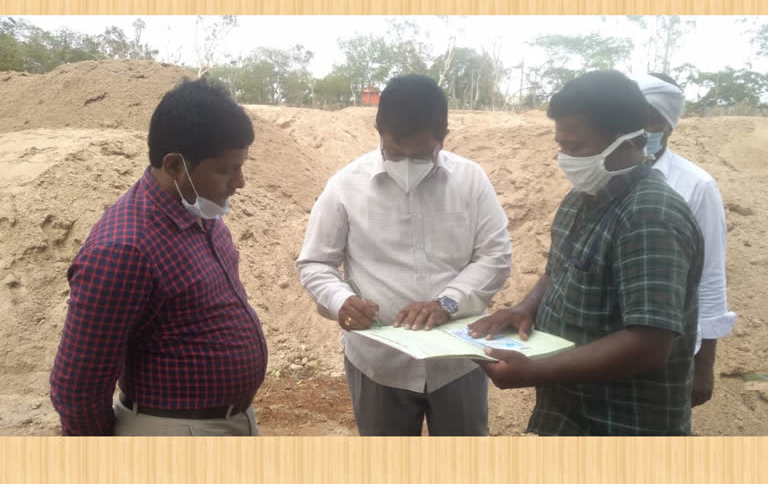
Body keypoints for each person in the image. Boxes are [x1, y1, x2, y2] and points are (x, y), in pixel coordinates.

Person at [469, 70, 704, 436]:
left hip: (624, 424)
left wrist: (534, 371)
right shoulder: (584, 197)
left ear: (627, 142)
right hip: (568, 413)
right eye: (561, 144)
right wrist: (525, 308)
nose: (564, 158)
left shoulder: (649, 217)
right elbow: (559, 271)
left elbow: (649, 344)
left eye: (576, 147)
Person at [296, 74, 512, 436]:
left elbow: (496, 255)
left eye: (420, 155)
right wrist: (340, 301)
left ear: (443, 133)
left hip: (456, 361)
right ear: (378, 127)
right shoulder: (345, 185)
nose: (407, 165)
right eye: (396, 153)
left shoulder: (471, 180)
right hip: (379, 364)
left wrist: (448, 302)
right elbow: (315, 262)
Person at [49, 78, 267, 436]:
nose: (240, 182)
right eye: (227, 170)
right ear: (175, 165)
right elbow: (78, 387)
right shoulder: (123, 249)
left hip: (226, 421)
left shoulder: (200, 213)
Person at [637, 72, 737, 407]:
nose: (642, 128)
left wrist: (705, 363)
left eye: (652, 120)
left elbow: (710, 275)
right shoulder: (604, 175)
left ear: (669, 125)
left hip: (672, 345)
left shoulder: (696, 185)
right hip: (609, 342)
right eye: (635, 117)